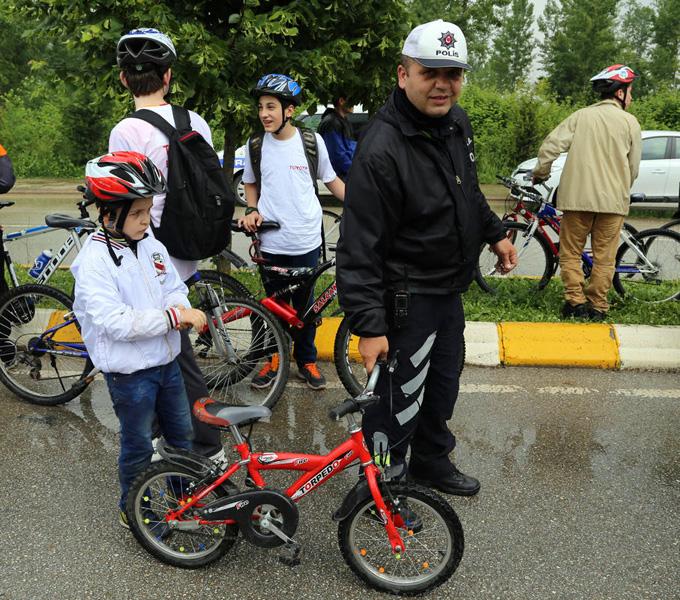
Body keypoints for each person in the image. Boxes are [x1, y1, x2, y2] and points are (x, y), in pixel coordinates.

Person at [336, 20, 517, 496]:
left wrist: (496, 234)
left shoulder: (455, 123)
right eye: (430, 72)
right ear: (403, 74)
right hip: (404, 297)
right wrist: (369, 326)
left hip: (446, 289)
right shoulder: (381, 149)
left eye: (453, 73)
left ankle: (431, 462)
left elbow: (468, 191)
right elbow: (358, 248)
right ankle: (378, 490)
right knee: (395, 402)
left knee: (441, 390)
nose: (443, 84)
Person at [71, 151, 207, 527]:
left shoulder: (149, 244)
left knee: (182, 437)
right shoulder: (93, 262)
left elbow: (173, 287)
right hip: (131, 376)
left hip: (167, 365)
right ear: (108, 213)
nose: (145, 220)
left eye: (148, 210)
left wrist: (178, 307)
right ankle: (133, 507)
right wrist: (172, 317)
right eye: (137, 213)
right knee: (137, 447)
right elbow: (115, 322)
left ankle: (184, 501)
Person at [109, 28, 223, 459]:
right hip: (188, 247)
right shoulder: (196, 122)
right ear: (168, 76)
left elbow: (126, 201)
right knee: (171, 344)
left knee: (169, 351)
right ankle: (180, 436)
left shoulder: (127, 130)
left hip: (152, 251)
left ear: (124, 79)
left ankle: (200, 444)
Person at [239, 74, 345, 391]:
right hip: (271, 240)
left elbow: (332, 180)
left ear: (289, 110)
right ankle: (271, 358)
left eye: (271, 107)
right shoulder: (256, 145)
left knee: (305, 307)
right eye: (261, 107)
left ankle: (306, 360)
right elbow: (249, 183)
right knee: (272, 304)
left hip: (307, 239)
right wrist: (251, 209)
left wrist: (362, 205)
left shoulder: (311, 142)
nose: (264, 114)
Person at [532, 64, 641, 321]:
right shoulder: (630, 123)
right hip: (613, 204)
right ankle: (598, 306)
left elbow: (550, 146)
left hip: (577, 200)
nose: (632, 97)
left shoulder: (580, 117)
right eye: (630, 91)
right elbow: (633, 168)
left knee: (570, 252)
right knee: (605, 257)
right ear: (619, 93)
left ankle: (575, 302)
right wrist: (621, 188)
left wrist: (541, 172)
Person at [317, 92, 357, 181]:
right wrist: (356, 172)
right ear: (341, 101)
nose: (355, 104)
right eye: (352, 101)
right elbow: (337, 156)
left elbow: (351, 146)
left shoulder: (343, 120)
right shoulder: (331, 122)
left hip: (348, 174)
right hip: (341, 177)